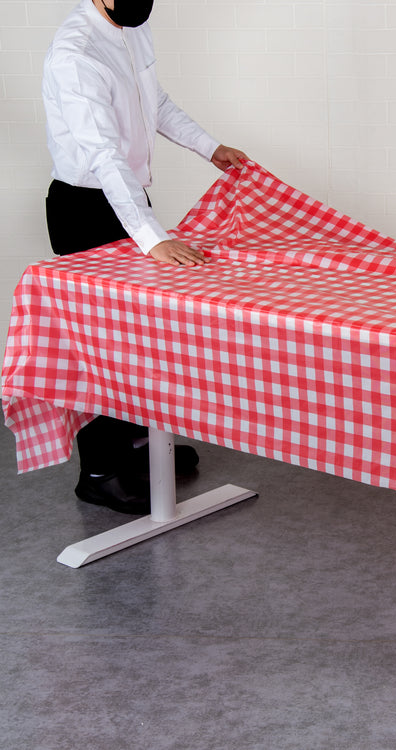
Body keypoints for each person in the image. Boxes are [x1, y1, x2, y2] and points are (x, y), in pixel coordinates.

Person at [42, 0, 249, 514]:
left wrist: (209, 147)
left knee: (136, 333)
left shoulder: (132, 27)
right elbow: (103, 154)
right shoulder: (75, 54)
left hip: (126, 201)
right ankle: (99, 471)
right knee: (101, 343)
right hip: (85, 207)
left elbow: (155, 100)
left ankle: (137, 440)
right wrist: (151, 237)